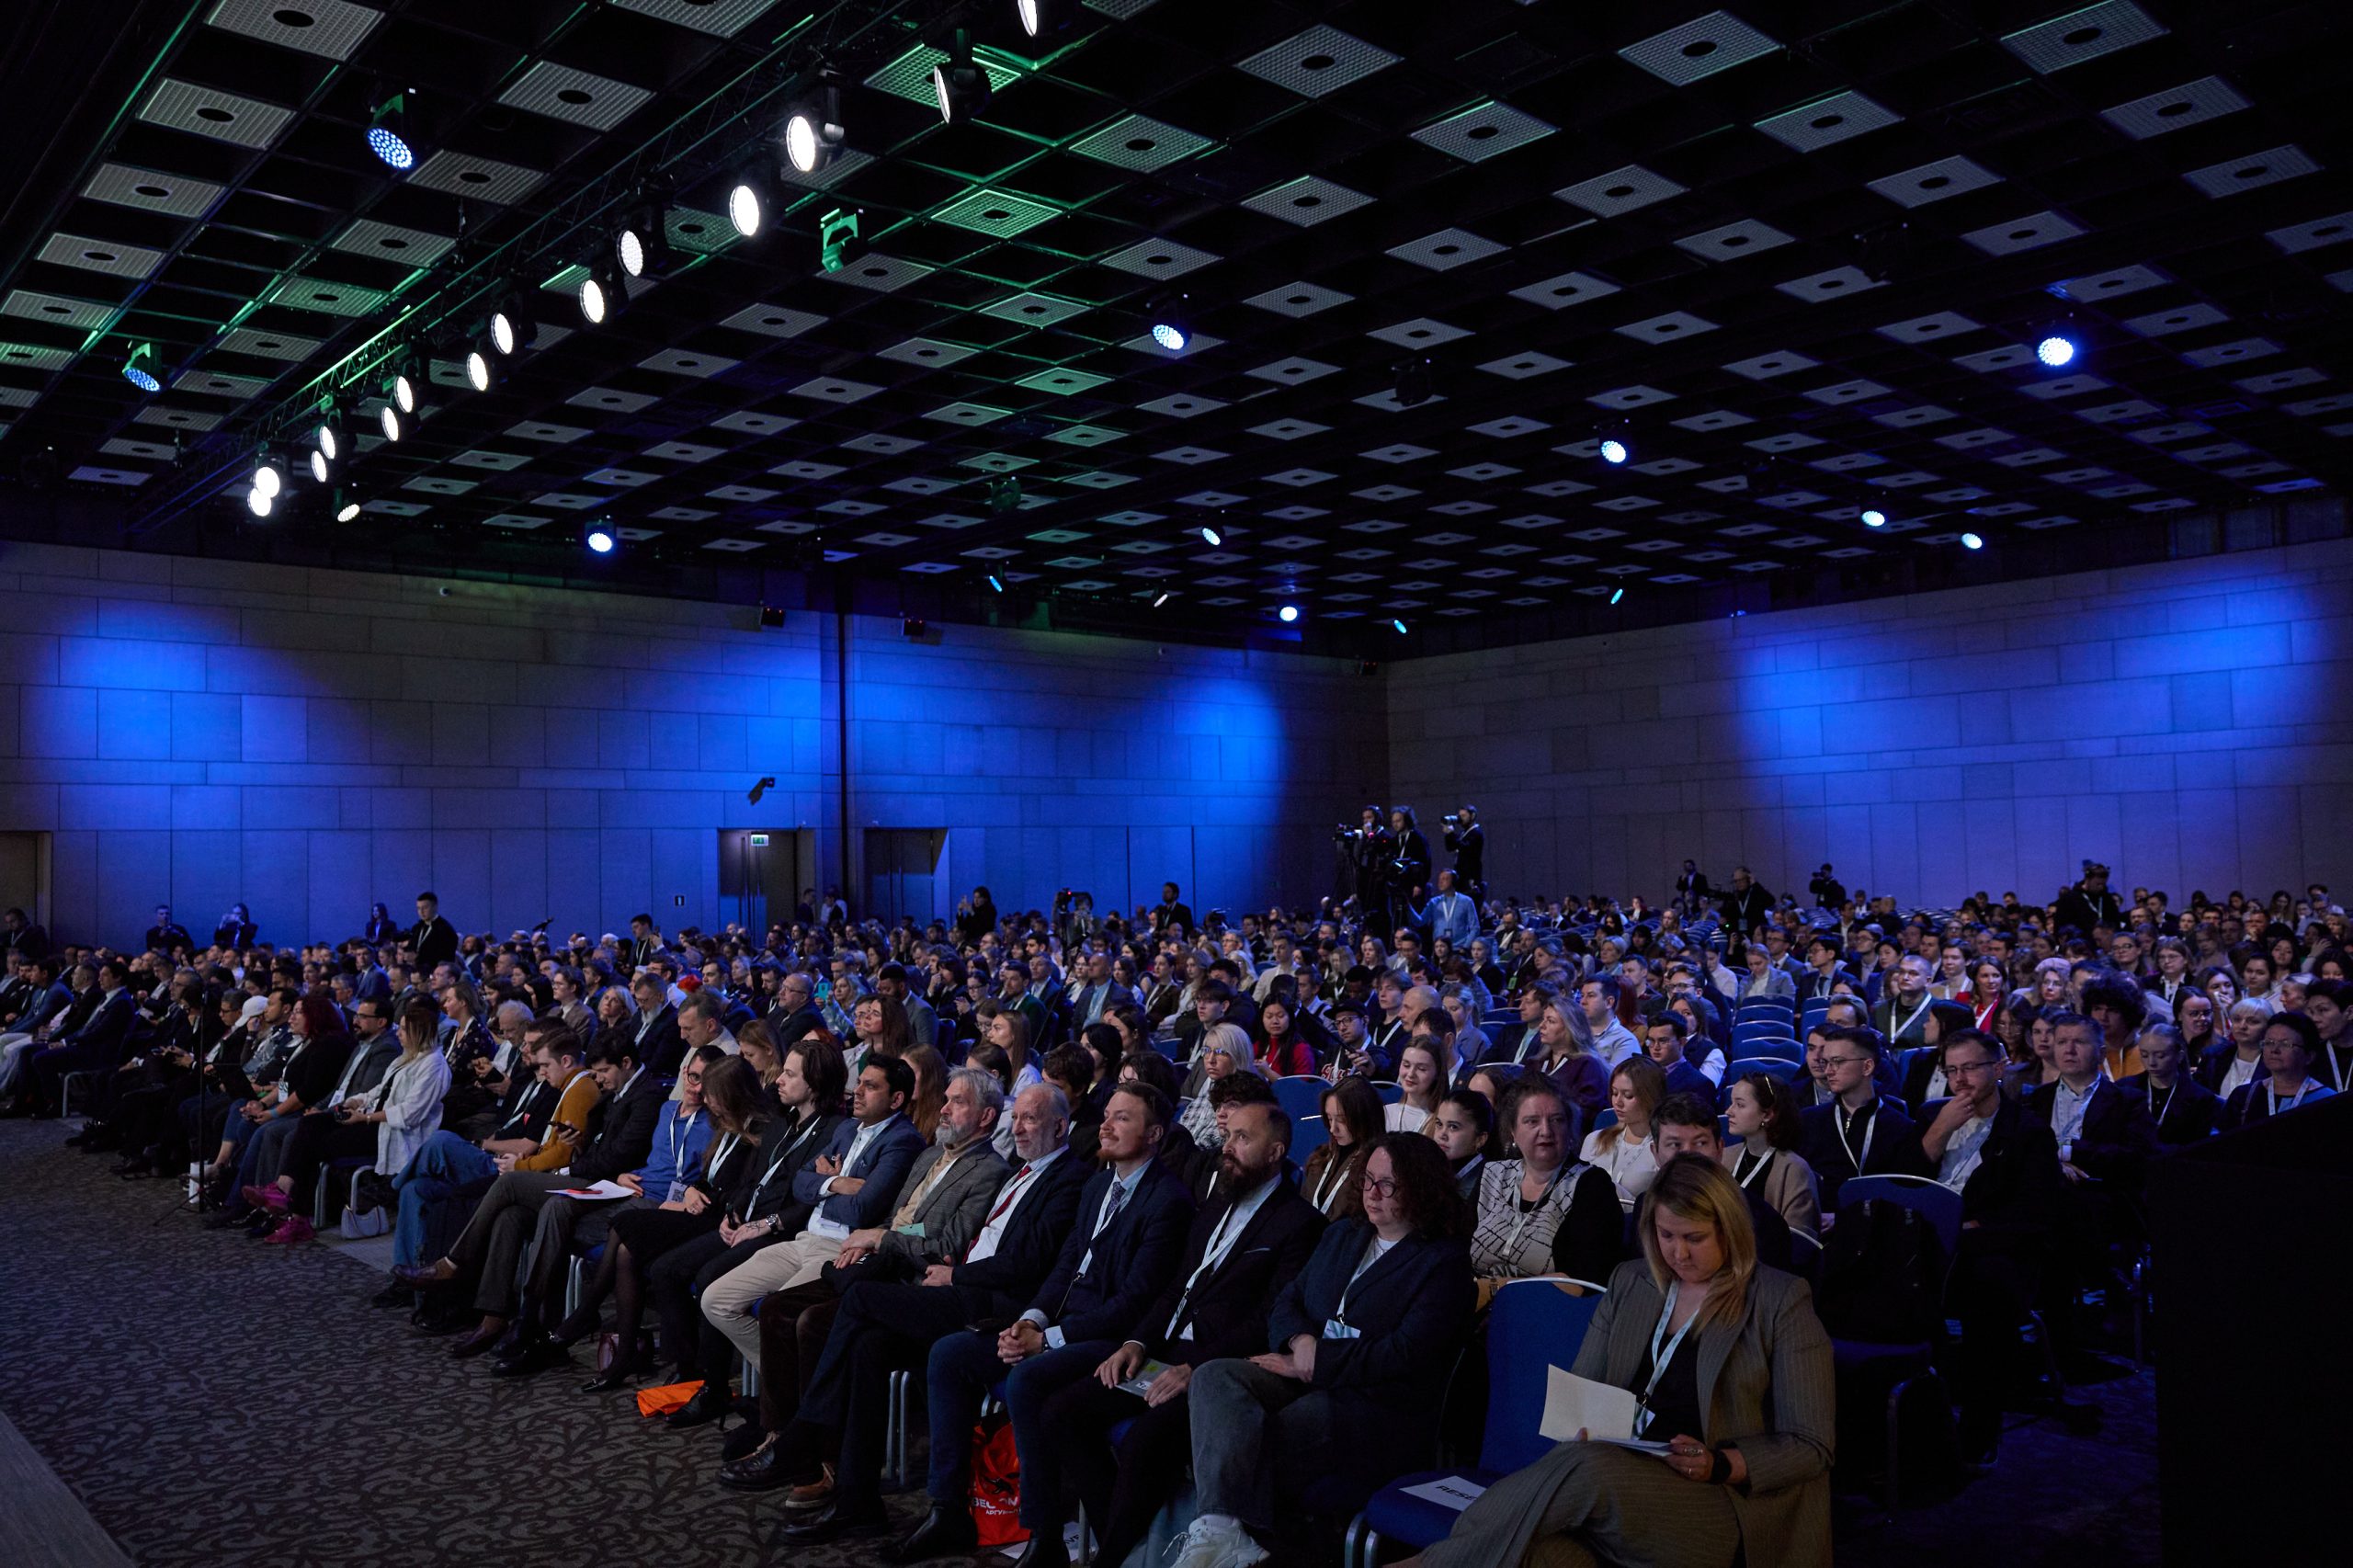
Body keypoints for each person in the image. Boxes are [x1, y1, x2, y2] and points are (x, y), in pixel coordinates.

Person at [1409, 1157, 1834, 1568]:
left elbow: (1811, 1445)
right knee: (1538, 1555)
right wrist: (1581, 1427)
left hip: (1718, 1501)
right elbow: (1585, 1388)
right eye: (1666, 1235)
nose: (1678, 1253)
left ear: (1730, 1230)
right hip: (1619, 1488)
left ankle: (1427, 1564)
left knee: (1587, 1469)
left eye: (1694, 1238)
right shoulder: (1632, 1281)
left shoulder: (1780, 1302)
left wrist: (1720, 1463)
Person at [867, 1080, 1196, 1565]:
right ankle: (948, 1509)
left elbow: (1134, 1301)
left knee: (1026, 1379)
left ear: (1154, 1134)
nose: (1105, 1125)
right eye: (1107, 1114)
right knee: (950, 1354)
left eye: (1122, 1118)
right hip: (1058, 1323)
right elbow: (1064, 1268)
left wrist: (1049, 1338)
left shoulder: (1168, 1200)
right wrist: (1030, 1320)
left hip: (1106, 1338)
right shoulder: (1099, 1185)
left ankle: (1043, 1535)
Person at [762, 1084, 1091, 1539]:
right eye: (1016, 1118)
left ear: (1060, 1126)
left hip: (991, 1303)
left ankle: (807, 1427)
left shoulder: (1068, 1178)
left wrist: (956, 1274)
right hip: (953, 1282)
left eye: (1029, 1119)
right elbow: (932, 1227)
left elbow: (1028, 1261)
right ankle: (857, 1501)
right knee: (867, 1345)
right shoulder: (1020, 1169)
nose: (1018, 1128)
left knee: (858, 1300)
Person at [1029, 1099, 1327, 1568]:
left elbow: (1266, 1319)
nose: (1227, 1147)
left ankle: (1111, 1557)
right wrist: (1136, 1343)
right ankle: (1127, 1544)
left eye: (1243, 1138)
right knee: (1062, 1413)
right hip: (1163, 1352)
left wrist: (1194, 1368)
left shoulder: (1300, 1224)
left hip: (1215, 1373)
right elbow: (1175, 1288)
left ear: (1275, 1153)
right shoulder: (1216, 1204)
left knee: (1146, 1440)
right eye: (1228, 1137)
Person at [1168, 1134, 1477, 1568]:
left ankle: (1249, 1542)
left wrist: (1317, 1363)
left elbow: (1405, 1352)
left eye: (1388, 1185)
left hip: (1375, 1403)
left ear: (1422, 1188)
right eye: (1368, 1179)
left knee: (1255, 1435)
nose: (1372, 1193)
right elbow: (1288, 1302)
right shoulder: (1343, 1234)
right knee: (1215, 1376)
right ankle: (1222, 1529)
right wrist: (1301, 1342)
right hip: (1307, 1371)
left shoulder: (1443, 1263)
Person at [673, 1056, 928, 1427]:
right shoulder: (848, 1129)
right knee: (716, 1299)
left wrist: (824, 1187)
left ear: (897, 1099)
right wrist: (837, 1183)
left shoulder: (902, 1141)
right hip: (805, 1238)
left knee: (778, 1313)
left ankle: (785, 1418)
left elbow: (863, 1209)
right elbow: (800, 1185)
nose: (857, 1091)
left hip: (840, 1248)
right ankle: (793, 1392)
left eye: (870, 1086)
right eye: (859, 1082)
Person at [389, 1032, 667, 1354]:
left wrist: (566, 1169)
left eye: (604, 1071)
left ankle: (453, 1264)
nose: (599, 1077)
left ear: (626, 1063)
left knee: (508, 1183)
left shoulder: (646, 1097)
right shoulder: (613, 1092)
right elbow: (600, 1150)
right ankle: (493, 1318)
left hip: (609, 1187)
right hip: (594, 1178)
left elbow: (620, 1156)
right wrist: (579, 1144)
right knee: (510, 1216)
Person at [1893, 1029, 2064, 1463]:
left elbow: (2033, 1213)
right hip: (1925, 1239)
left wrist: (1971, 1226)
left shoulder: (2026, 1131)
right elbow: (1900, 1181)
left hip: (1989, 1248)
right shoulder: (1934, 1116)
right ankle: (1902, 1417)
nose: (1960, 1080)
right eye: (1952, 1070)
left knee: (1987, 1292)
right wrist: (1939, 1130)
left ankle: (1978, 1428)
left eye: (1970, 1068)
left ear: (1998, 1068)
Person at [1472, 1077, 1620, 1286]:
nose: (1546, 1131)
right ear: (1513, 1131)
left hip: (1546, 1302)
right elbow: (1457, 1249)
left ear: (1569, 1128)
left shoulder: (1591, 1186)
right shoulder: (1492, 1174)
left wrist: (1497, 1288)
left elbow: (1585, 1280)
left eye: (1556, 1120)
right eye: (1532, 1121)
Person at [1653, 1096, 1793, 1270]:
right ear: (1655, 1152)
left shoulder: (1763, 1222)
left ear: (1720, 1149)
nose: (1688, 1154)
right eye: (1675, 1144)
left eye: (1700, 1143)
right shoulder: (1645, 1208)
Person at [1719, 1071, 1821, 1237]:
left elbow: (1797, 1239)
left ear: (1767, 1114)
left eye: (1740, 1105)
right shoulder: (1724, 1157)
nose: (1729, 1111)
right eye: (1731, 1103)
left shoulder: (1794, 1170)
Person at [2221, 1011, 2337, 1130]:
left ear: (2309, 1056)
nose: (2274, 1050)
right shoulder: (2244, 1096)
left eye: (2285, 1044)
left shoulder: (2327, 1100)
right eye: (2269, 1043)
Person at [1583, 1056, 1665, 1210]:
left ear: (1650, 1097)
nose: (1617, 1102)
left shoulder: (1662, 1149)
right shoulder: (1594, 1140)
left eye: (1628, 1096)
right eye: (1614, 1093)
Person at [2120, 1023, 2220, 1145]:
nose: (2151, 1062)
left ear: (2179, 1056)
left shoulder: (2201, 1098)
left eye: (2160, 1056)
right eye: (2144, 1055)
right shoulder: (2124, 1089)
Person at [1301, 1075, 1382, 1220]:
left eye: (1341, 1120)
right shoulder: (1321, 1156)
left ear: (1363, 1118)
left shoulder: (1376, 1168)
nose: (1333, 1129)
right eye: (1329, 1118)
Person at [1425, 1088, 1493, 1201]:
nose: (1442, 1135)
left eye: (1453, 1127)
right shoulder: (1428, 1167)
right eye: (1439, 1124)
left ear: (1480, 1139)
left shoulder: (1488, 1183)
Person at [1384, 1037, 1447, 1133]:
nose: (1411, 1074)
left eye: (1421, 1069)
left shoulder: (1443, 1122)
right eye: (1406, 1065)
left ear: (1437, 1073)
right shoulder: (1385, 1113)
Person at [409, 891, 459, 971]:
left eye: (425, 908)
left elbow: (446, 957)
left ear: (435, 907)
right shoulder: (417, 928)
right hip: (416, 971)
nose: (421, 912)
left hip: (435, 972)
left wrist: (419, 957)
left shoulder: (445, 929)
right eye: (418, 908)